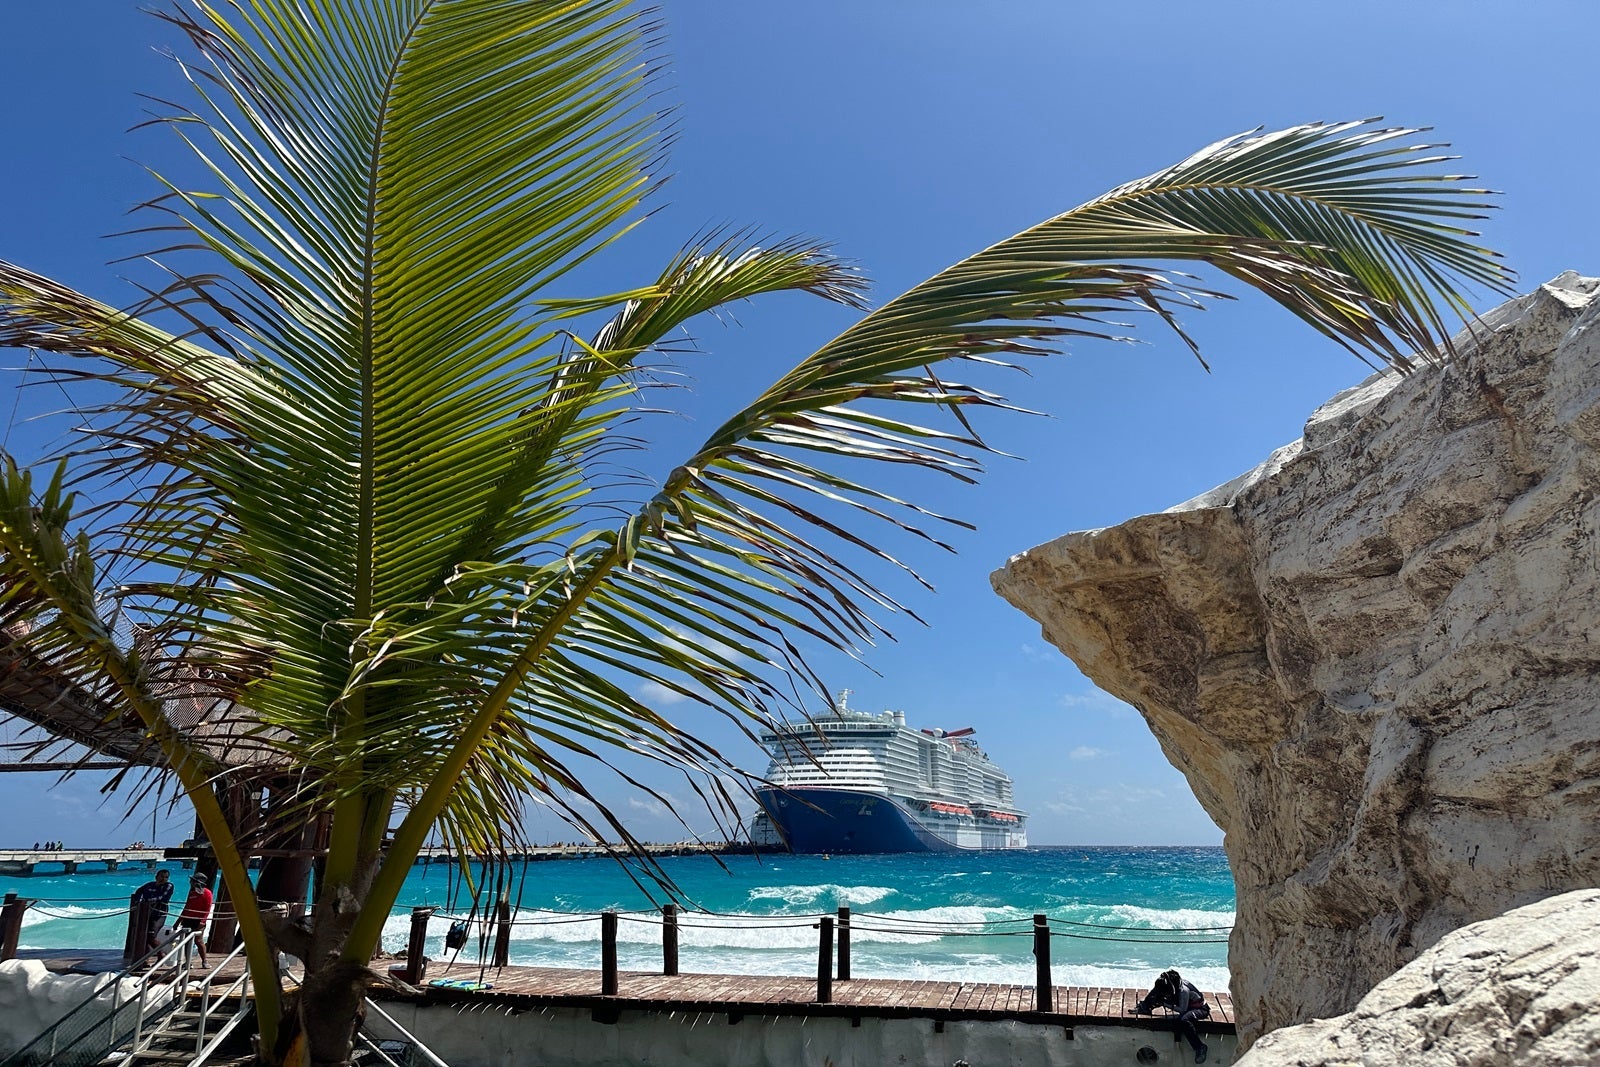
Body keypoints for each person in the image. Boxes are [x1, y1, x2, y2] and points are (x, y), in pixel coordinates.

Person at [1130, 968, 1211, 1063]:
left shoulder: (1183, 990)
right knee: (1156, 993)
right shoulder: (1167, 984)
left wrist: (1164, 1003)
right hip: (1186, 1006)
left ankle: (1200, 1047)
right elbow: (1157, 991)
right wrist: (1147, 1003)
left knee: (1183, 1020)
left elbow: (1182, 1010)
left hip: (1199, 1009)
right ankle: (1144, 1008)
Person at [128, 868, 175, 957]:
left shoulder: (168, 886)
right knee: (143, 935)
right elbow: (139, 891)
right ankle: (145, 958)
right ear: (156, 876)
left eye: (166, 877)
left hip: (159, 914)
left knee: (151, 936)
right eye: (162, 876)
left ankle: (161, 954)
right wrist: (137, 901)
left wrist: (147, 901)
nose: (164, 879)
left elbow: (162, 897)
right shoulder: (150, 885)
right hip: (146, 913)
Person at [177, 872, 215, 966]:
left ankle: (204, 961)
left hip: (199, 920)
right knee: (187, 941)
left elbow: (207, 908)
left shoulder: (207, 893)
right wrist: (178, 921)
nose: (190, 882)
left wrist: (203, 921)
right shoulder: (192, 893)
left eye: (193, 881)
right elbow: (187, 908)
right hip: (188, 920)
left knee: (198, 940)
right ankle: (188, 962)